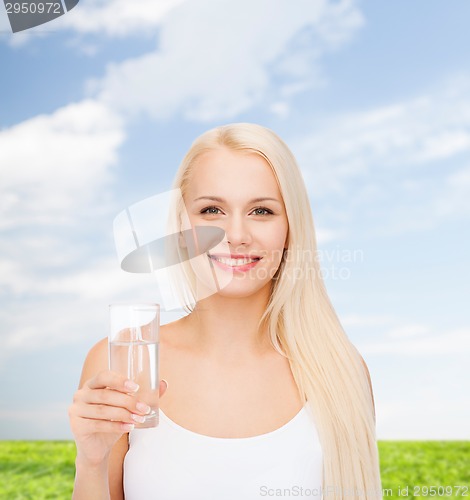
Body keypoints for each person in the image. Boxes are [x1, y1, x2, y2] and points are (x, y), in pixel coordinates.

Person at [69, 123, 382, 499]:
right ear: (181, 224)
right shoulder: (121, 360)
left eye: (262, 211)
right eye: (212, 210)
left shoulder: (340, 372)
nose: (235, 235)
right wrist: (91, 462)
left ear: (291, 230)